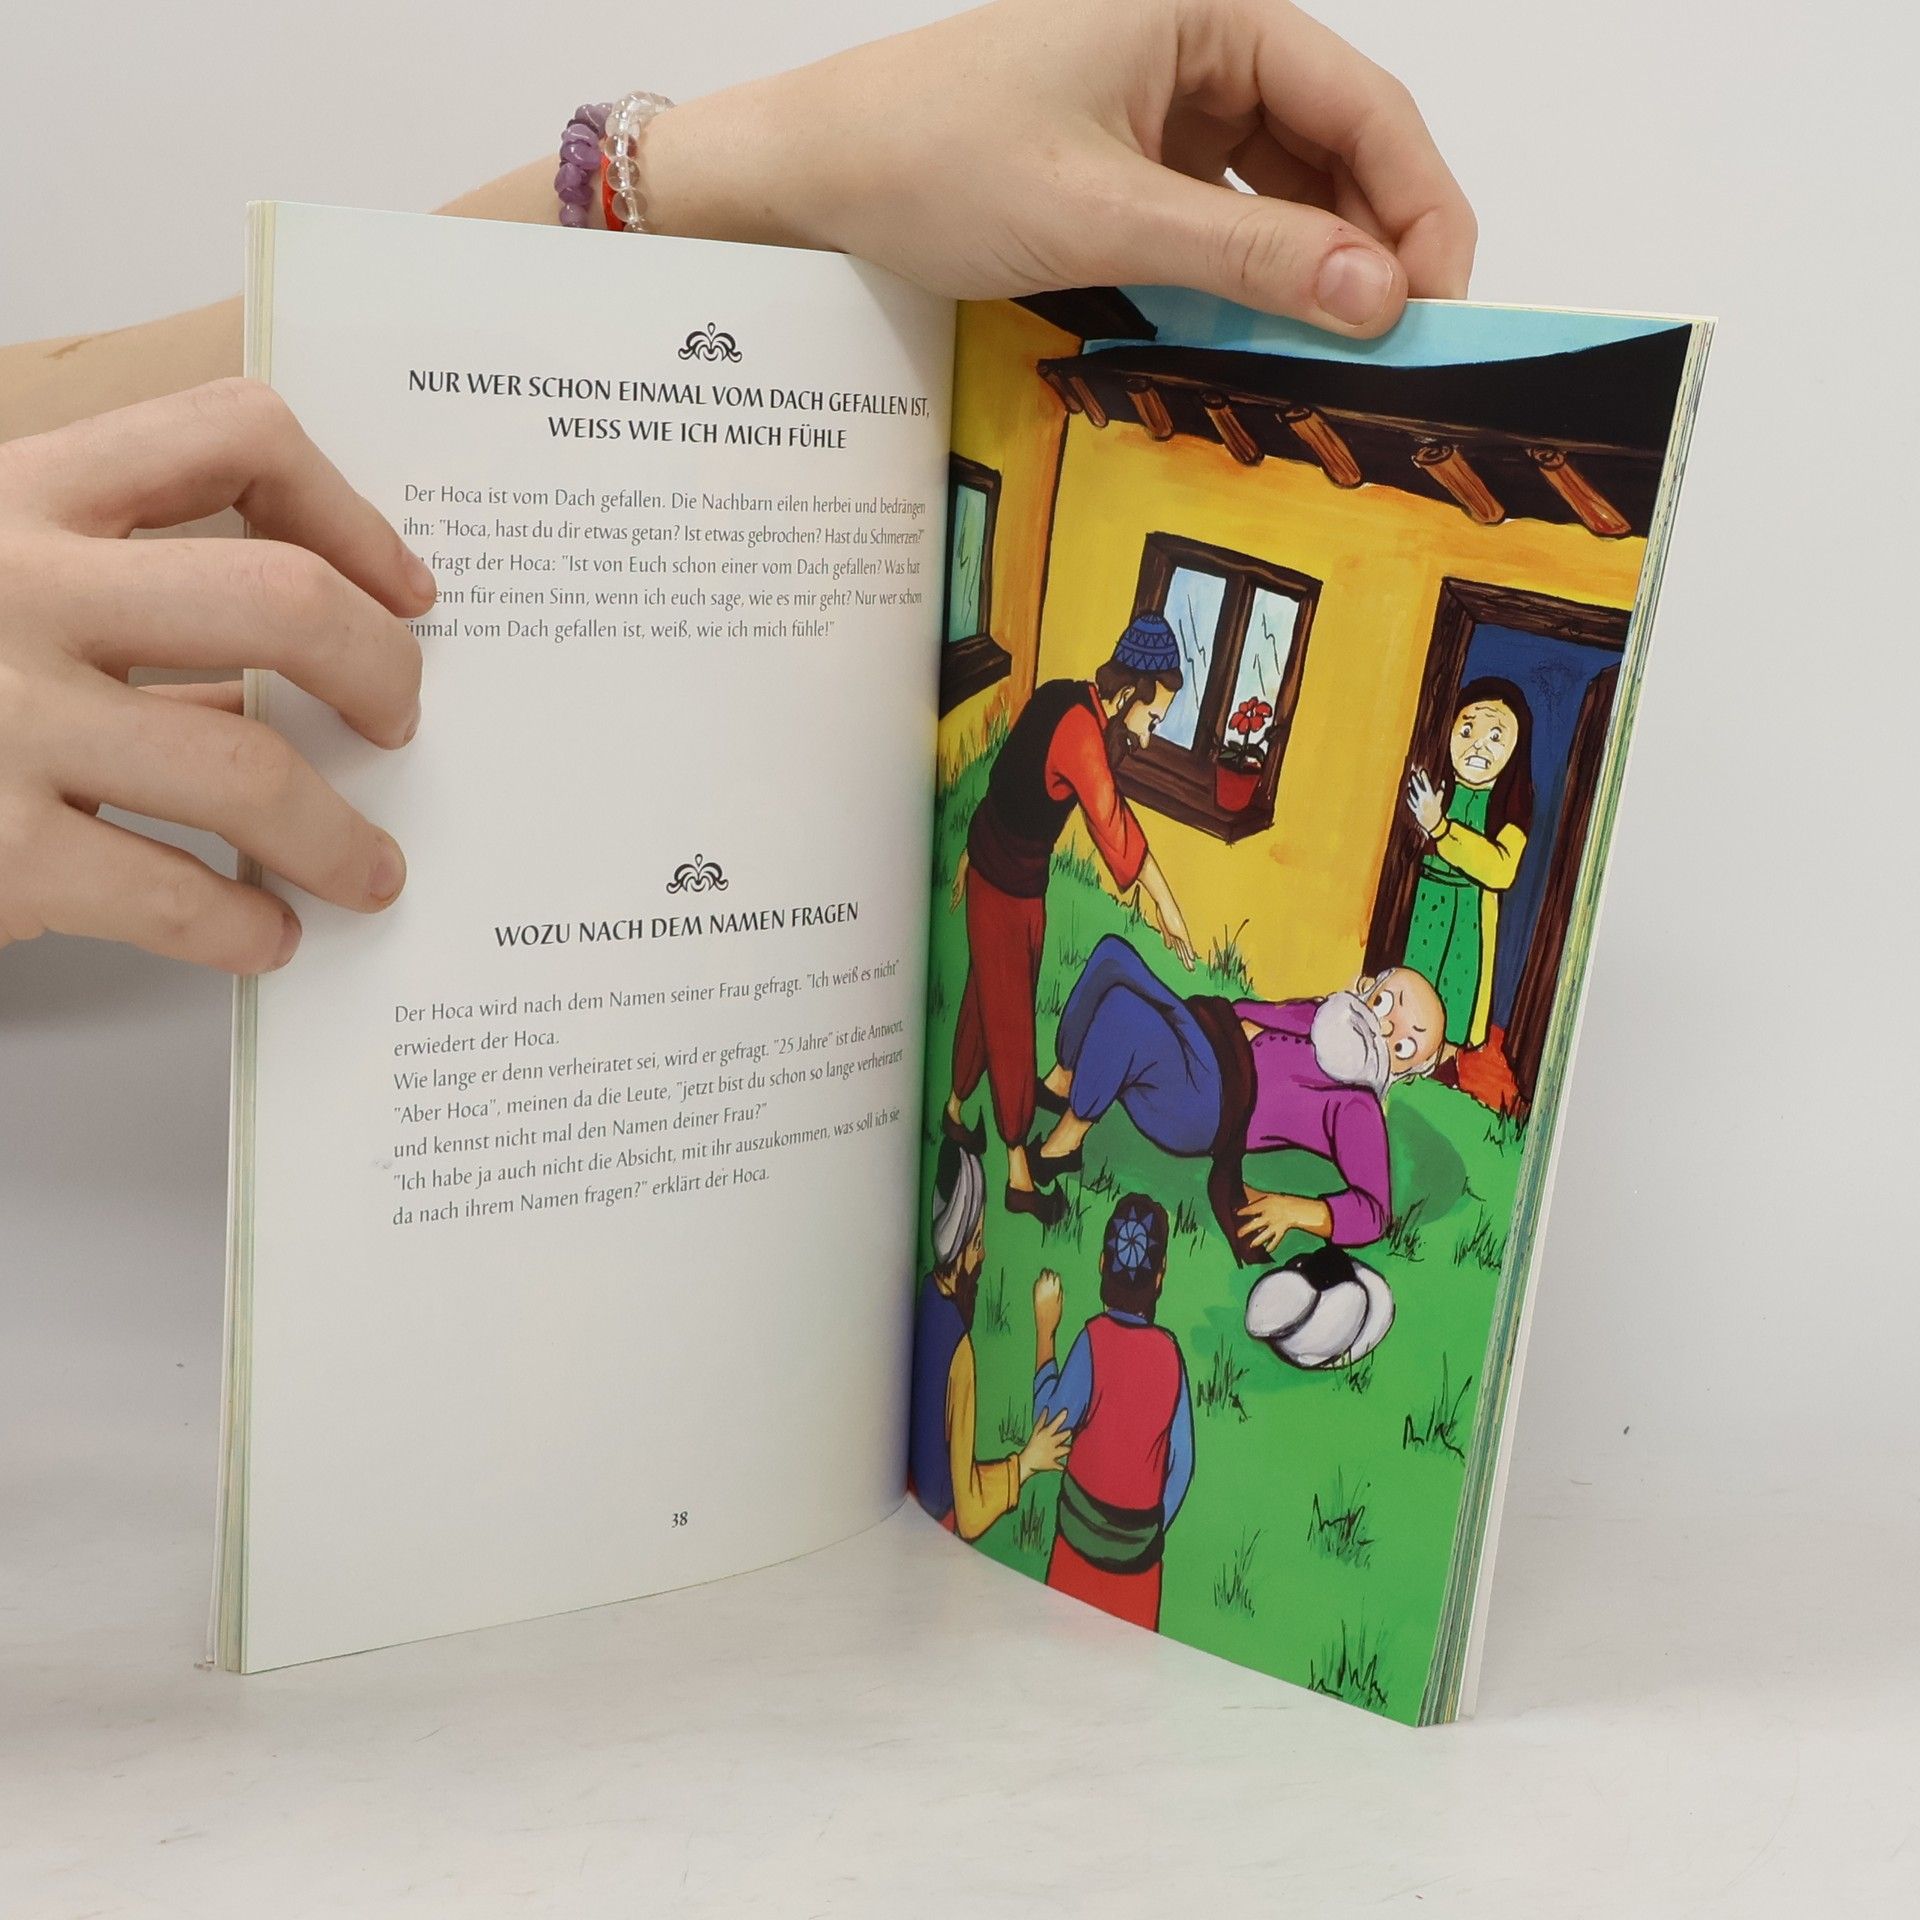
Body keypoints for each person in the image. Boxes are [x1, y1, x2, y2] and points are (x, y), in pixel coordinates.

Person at [0, 0, 1474, 976]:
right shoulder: (1087, 726)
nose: (1153, 719)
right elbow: (1123, 836)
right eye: (1160, 703)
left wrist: (756, 161)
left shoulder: (1064, 706)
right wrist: (1175, 924)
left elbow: (145, 437)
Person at [943, 614, 1196, 1224]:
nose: (1149, 737)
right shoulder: (1082, 734)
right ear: (1130, 692)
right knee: (1009, 1013)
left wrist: (971, 845)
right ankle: (1018, 1174)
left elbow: (1007, 778)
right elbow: (1112, 823)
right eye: (1152, 719)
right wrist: (1168, 906)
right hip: (1005, 887)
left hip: (1009, 873)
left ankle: (953, 1110)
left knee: (985, 993)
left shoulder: (1064, 695)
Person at [1032, 934, 1444, 1261]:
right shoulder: (1329, 1017)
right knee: (1112, 957)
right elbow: (1247, 1011)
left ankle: (1064, 1145)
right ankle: (1064, 1080)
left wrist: (1293, 1210)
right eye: (1384, 1004)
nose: (1380, 1029)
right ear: (1369, 987)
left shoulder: (1358, 1105)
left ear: (1404, 1072)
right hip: (1205, 1039)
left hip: (1210, 1106)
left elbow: (1374, 1212)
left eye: (1402, 1045)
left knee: (1124, 1012)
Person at [1031, 1193, 1194, 1632]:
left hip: (1075, 1549)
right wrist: (1148, 1530)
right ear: (1160, 1275)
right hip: (1140, 1566)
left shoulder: (1092, 1339)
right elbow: (1181, 1465)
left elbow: (1047, 1425)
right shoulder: (1171, 1354)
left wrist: (1045, 1333)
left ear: (1103, 1264)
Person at [908, 1142, 1072, 1539]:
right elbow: (968, 1511)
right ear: (959, 1247)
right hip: (936, 1529)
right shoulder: (960, 1351)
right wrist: (1025, 1463)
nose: (982, 1256)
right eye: (978, 1240)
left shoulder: (926, 1292)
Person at [1403, 678, 1535, 1066]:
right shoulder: (1434, 786)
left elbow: (1502, 870)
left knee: (1457, 992)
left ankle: (1442, 1064)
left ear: (1515, 748)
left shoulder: (1512, 806)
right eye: (1467, 730)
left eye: (1495, 736)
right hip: (1426, 902)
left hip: (1470, 914)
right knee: (1415, 981)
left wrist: (1441, 828)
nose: (1478, 745)